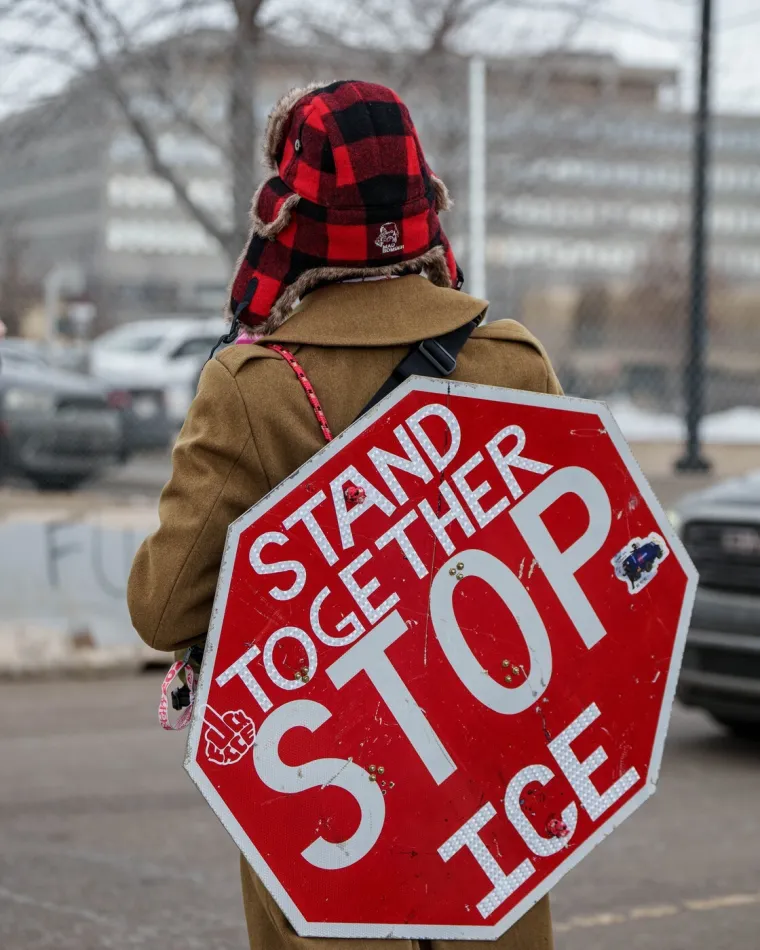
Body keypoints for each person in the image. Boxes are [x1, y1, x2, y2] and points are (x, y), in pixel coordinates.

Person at [128, 80, 560, 950]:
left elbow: (163, 607)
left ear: (291, 216)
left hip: (331, 842)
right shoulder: (514, 366)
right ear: (424, 199)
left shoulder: (254, 391)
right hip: (494, 835)